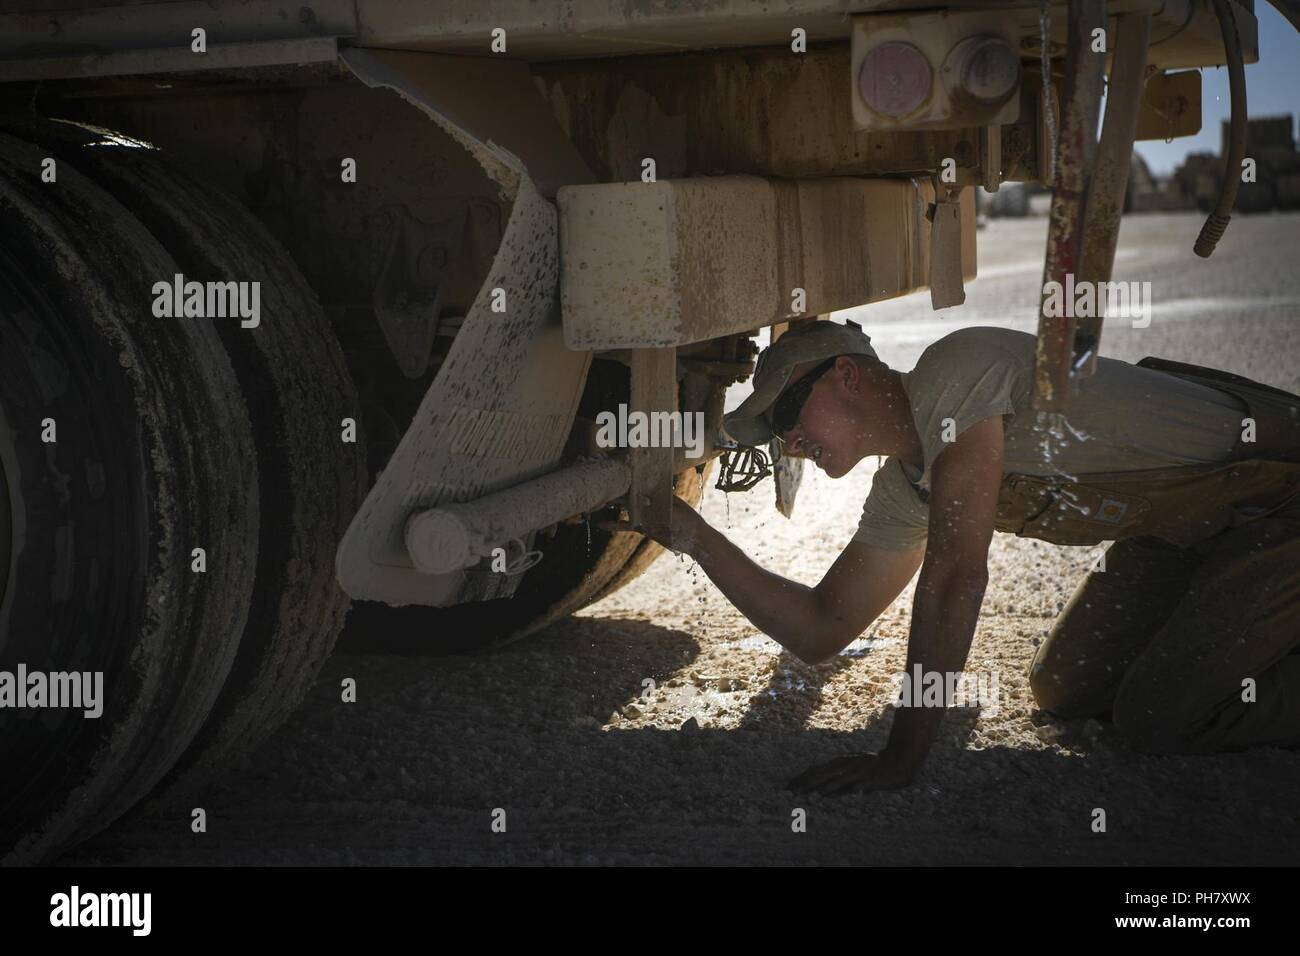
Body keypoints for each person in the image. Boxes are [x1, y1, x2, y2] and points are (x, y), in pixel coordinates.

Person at [624, 321, 1300, 795]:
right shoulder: (906, 483)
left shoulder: (953, 371)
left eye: (790, 415)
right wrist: (693, 535)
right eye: (777, 435)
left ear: (848, 374)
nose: (790, 443)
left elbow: (956, 574)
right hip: (1182, 536)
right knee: (1065, 689)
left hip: (1275, 499)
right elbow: (821, 628)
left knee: (1159, 718)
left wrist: (903, 756)